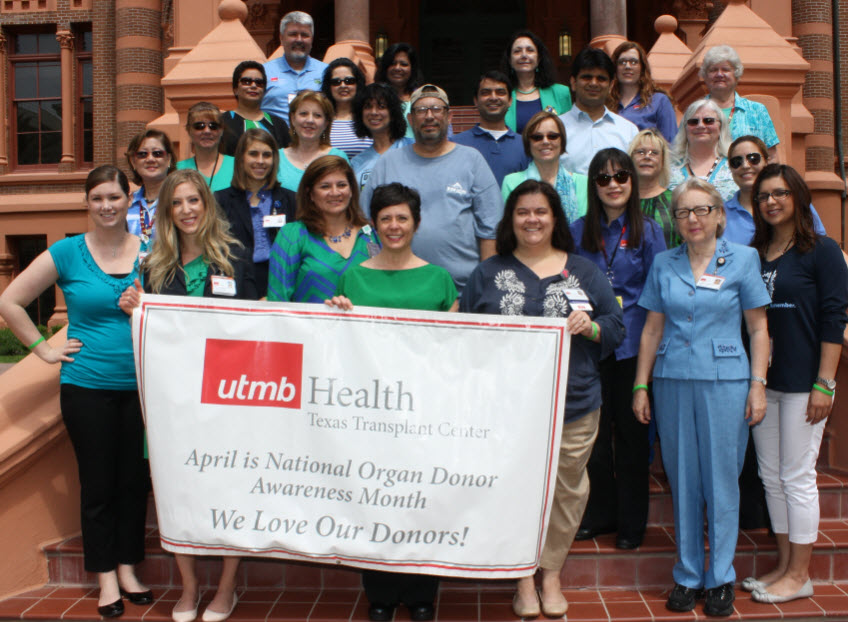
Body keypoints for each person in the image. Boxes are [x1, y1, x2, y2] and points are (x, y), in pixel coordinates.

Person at [461, 179, 624, 619]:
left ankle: (550, 572)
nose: (532, 219)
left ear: (555, 219)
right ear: (510, 221)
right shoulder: (488, 273)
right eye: (522, 212)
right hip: (504, 410)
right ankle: (521, 578)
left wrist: (589, 328)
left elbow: (615, 327)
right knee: (513, 489)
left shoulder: (583, 272)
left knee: (566, 489)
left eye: (541, 212)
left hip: (572, 404)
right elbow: (462, 338)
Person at [0, 165, 151, 618]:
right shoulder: (66, 252)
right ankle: (105, 577)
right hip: (86, 386)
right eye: (98, 198)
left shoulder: (149, 251)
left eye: (115, 197)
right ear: (87, 203)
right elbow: (9, 301)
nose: (107, 205)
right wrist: (43, 349)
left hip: (143, 387)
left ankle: (128, 568)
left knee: (133, 483)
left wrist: (144, 303)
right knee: (98, 483)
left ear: (130, 200)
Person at [119, 169, 256, 622]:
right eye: (176, 203)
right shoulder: (152, 265)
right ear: (166, 212)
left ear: (206, 205)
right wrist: (133, 308)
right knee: (178, 493)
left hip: (225, 397)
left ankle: (226, 588)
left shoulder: (234, 257)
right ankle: (189, 587)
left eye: (193, 201)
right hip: (173, 400)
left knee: (229, 490)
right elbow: (150, 329)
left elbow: (258, 321)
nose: (186, 210)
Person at [632, 177, 771, 617]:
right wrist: (641, 383)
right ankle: (688, 574)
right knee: (685, 480)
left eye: (701, 210)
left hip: (726, 382)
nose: (692, 219)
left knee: (722, 481)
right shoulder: (663, 263)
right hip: (672, 381)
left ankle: (721, 578)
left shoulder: (744, 260)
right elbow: (652, 328)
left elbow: (759, 329)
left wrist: (757, 384)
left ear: (719, 215)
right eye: (683, 212)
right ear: (675, 221)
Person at [325, 183, 457, 621]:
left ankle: (421, 593)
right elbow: (339, 347)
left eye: (402, 218)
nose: (394, 226)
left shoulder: (439, 280)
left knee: (422, 501)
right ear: (374, 225)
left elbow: (456, 348)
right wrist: (338, 313)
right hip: (370, 409)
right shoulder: (353, 277)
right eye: (386, 219)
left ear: (416, 223)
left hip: (424, 410)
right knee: (373, 499)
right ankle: (380, 593)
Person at [744, 164, 848, 604]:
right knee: (771, 477)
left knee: (797, 475)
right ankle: (784, 566)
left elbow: (834, 318)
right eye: (764, 195)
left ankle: (801, 574)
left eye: (781, 193)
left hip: (807, 382)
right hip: (766, 382)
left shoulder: (822, 251)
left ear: (798, 198)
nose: (771, 201)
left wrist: (826, 382)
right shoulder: (755, 252)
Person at [571, 148, 665, 550]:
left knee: (630, 438)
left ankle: (631, 523)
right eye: (604, 178)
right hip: (590, 345)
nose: (614, 185)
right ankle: (600, 515)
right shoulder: (577, 230)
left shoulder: (648, 229)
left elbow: (658, 291)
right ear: (594, 185)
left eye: (621, 176)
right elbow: (568, 282)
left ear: (633, 181)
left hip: (634, 348)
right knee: (592, 439)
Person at [360, 84, 502, 291]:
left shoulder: (471, 160)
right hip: (396, 287)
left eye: (436, 109)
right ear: (410, 119)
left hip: (461, 290)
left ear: (449, 116)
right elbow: (365, 224)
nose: (429, 116)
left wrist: (485, 285)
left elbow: (491, 229)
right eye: (420, 110)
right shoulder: (388, 162)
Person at [268, 155, 379, 302]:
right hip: (307, 325)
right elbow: (278, 298)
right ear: (310, 194)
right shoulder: (292, 235)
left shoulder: (371, 235)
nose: (335, 192)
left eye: (341, 185)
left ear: (352, 190)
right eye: (325, 186)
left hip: (364, 324)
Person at [215, 129, 296, 297]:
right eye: (253, 154)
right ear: (241, 158)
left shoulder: (291, 199)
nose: (260, 161)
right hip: (236, 283)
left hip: (279, 283)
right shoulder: (221, 200)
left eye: (267, 155)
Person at [724, 135, 825, 245]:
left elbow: (821, 244)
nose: (745, 166)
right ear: (730, 168)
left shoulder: (794, 202)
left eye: (753, 159)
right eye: (736, 162)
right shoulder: (720, 214)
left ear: (767, 161)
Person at [559, 47, 638, 176]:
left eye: (601, 78)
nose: (594, 83)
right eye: (587, 77)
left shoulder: (628, 130)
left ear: (611, 85)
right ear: (573, 82)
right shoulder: (556, 129)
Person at [501, 111, 587, 222]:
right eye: (537, 137)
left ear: (562, 141)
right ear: (528, 143)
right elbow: (508, 228)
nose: (545, 141)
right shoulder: (511, 183)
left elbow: (585, 230)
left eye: (552, 136)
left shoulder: (583, 184)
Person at [701, 45, 779, 161]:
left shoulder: (757, 111)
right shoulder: (695, 112)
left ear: (736, 74)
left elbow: (772, 157)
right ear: (705, 76)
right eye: (713, 70)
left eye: (725, 69)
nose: (719, 74)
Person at [452, 70, 530, 186]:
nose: (493, 97)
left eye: (500, 92)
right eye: (485, 93)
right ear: (475, 101)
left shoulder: (526, 145)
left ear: (510, 101)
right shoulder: (456, 144)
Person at [261, 11, 327, 123]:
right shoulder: (264, 72)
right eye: (293, 34)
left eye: (305, 35)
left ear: (312, 39)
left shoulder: (326, 71)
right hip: (275, 139)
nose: (299, 40)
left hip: (315, 138)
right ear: (281, 38)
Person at [501, 29, 572, 133]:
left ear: (538, 59)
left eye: (530, 50)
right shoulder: (502, 94)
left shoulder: (561, 93)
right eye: (517, 51)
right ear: (510, 60)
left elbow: (568, 132)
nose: (524, 55)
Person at [277, 90, 349, 193]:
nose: (310, 120)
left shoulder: (338, 157)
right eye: (303, 114)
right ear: (293, 119)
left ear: (326, 123)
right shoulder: (278, 158)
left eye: (317, 115)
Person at [668, 99, 737, 202]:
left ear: (721, 126)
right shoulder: (669, 166)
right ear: (685, 128)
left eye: (708, 120)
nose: (700, 125)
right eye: (693, 122)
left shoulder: (735, 165)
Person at [609, 41, 677, 143]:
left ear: (642, 68)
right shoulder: (607, 104)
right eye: (622, 62)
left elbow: (672, 143)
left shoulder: (659, 101)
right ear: (615, 68)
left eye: (633, 62)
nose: (627, 66)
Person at [350, 82, 413, 191]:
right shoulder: (357, 162)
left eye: (381, 106)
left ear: (392, 113)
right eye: (368, 106)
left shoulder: (413, 147)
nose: (374, 112)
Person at [221, 60, 290, 156]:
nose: (253, 86)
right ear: (235, 89)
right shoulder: (222, 122)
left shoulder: (279, 125)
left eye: (259, 83)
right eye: (246, 82)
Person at [628, 128, 680, 248]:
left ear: (662, 161)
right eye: (640, 152)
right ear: (630, 158)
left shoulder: (676, 201)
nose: (647, 157)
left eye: (654, 153)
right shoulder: (621, 201)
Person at [124, 128, 177, 240]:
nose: (150, 159)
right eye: (142, 154)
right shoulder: (126, 204)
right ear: (133, 161)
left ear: (168, 159)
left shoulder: (179, 200)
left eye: (157, 153)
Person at [176, 102, 235, 192]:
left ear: (222, 130)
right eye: (199, 126)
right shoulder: (178, 170)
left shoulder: (237, 166)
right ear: (189, 130)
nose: (207, 131)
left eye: (213, 126)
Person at [321, 58, 373, 159]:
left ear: (358, 84)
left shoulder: (369, 116)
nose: (343, 85)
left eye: (349, 81)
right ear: (329, 86)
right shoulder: (321, 118)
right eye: (336, 82)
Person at [374, 42, 424, 138]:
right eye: (392, 64)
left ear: (412, 68)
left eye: (404, 64)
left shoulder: (421, 98)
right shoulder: (375, 97)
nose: (397, 68)